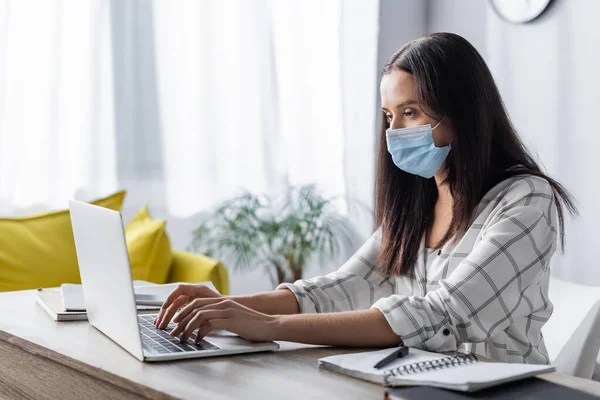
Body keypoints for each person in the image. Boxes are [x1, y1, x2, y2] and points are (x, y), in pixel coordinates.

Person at [154, 33, 577, 364]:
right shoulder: (418, 202)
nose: (394, 132)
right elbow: (345, 286)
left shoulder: (526, 200)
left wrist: (269, 325)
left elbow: (444, 313)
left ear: (463, 111)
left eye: (410, 112)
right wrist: (224, 306)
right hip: (419, 381)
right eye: (389, 116)